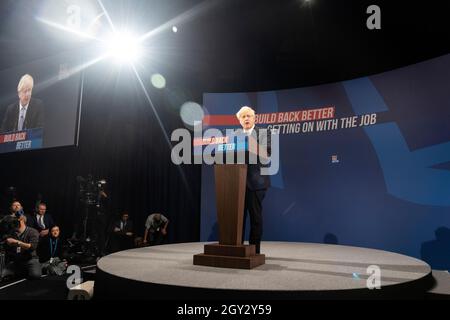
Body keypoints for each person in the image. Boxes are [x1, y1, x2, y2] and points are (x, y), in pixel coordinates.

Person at [236, 106, 271, 254]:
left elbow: (267, 152)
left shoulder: (263, 133)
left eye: (249, 116)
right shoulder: (235, 135)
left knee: (255, 218)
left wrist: (249, 143)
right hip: (237, 183)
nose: (246, 119)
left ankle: (254, 251)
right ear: (239, 120)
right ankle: (237, 248)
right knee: (238, 219)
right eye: (243, 117)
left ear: (254, 118)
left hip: (256, 183)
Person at [1, 213, 41, 280]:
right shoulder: (12, 232)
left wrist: (17, 242)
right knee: (3, 274)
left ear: (21, 220)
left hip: (30, 259)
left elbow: (32, 247)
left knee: (35, 275)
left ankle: (35, 268)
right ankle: (21, 271)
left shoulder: (33, 231)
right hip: (17, 260)